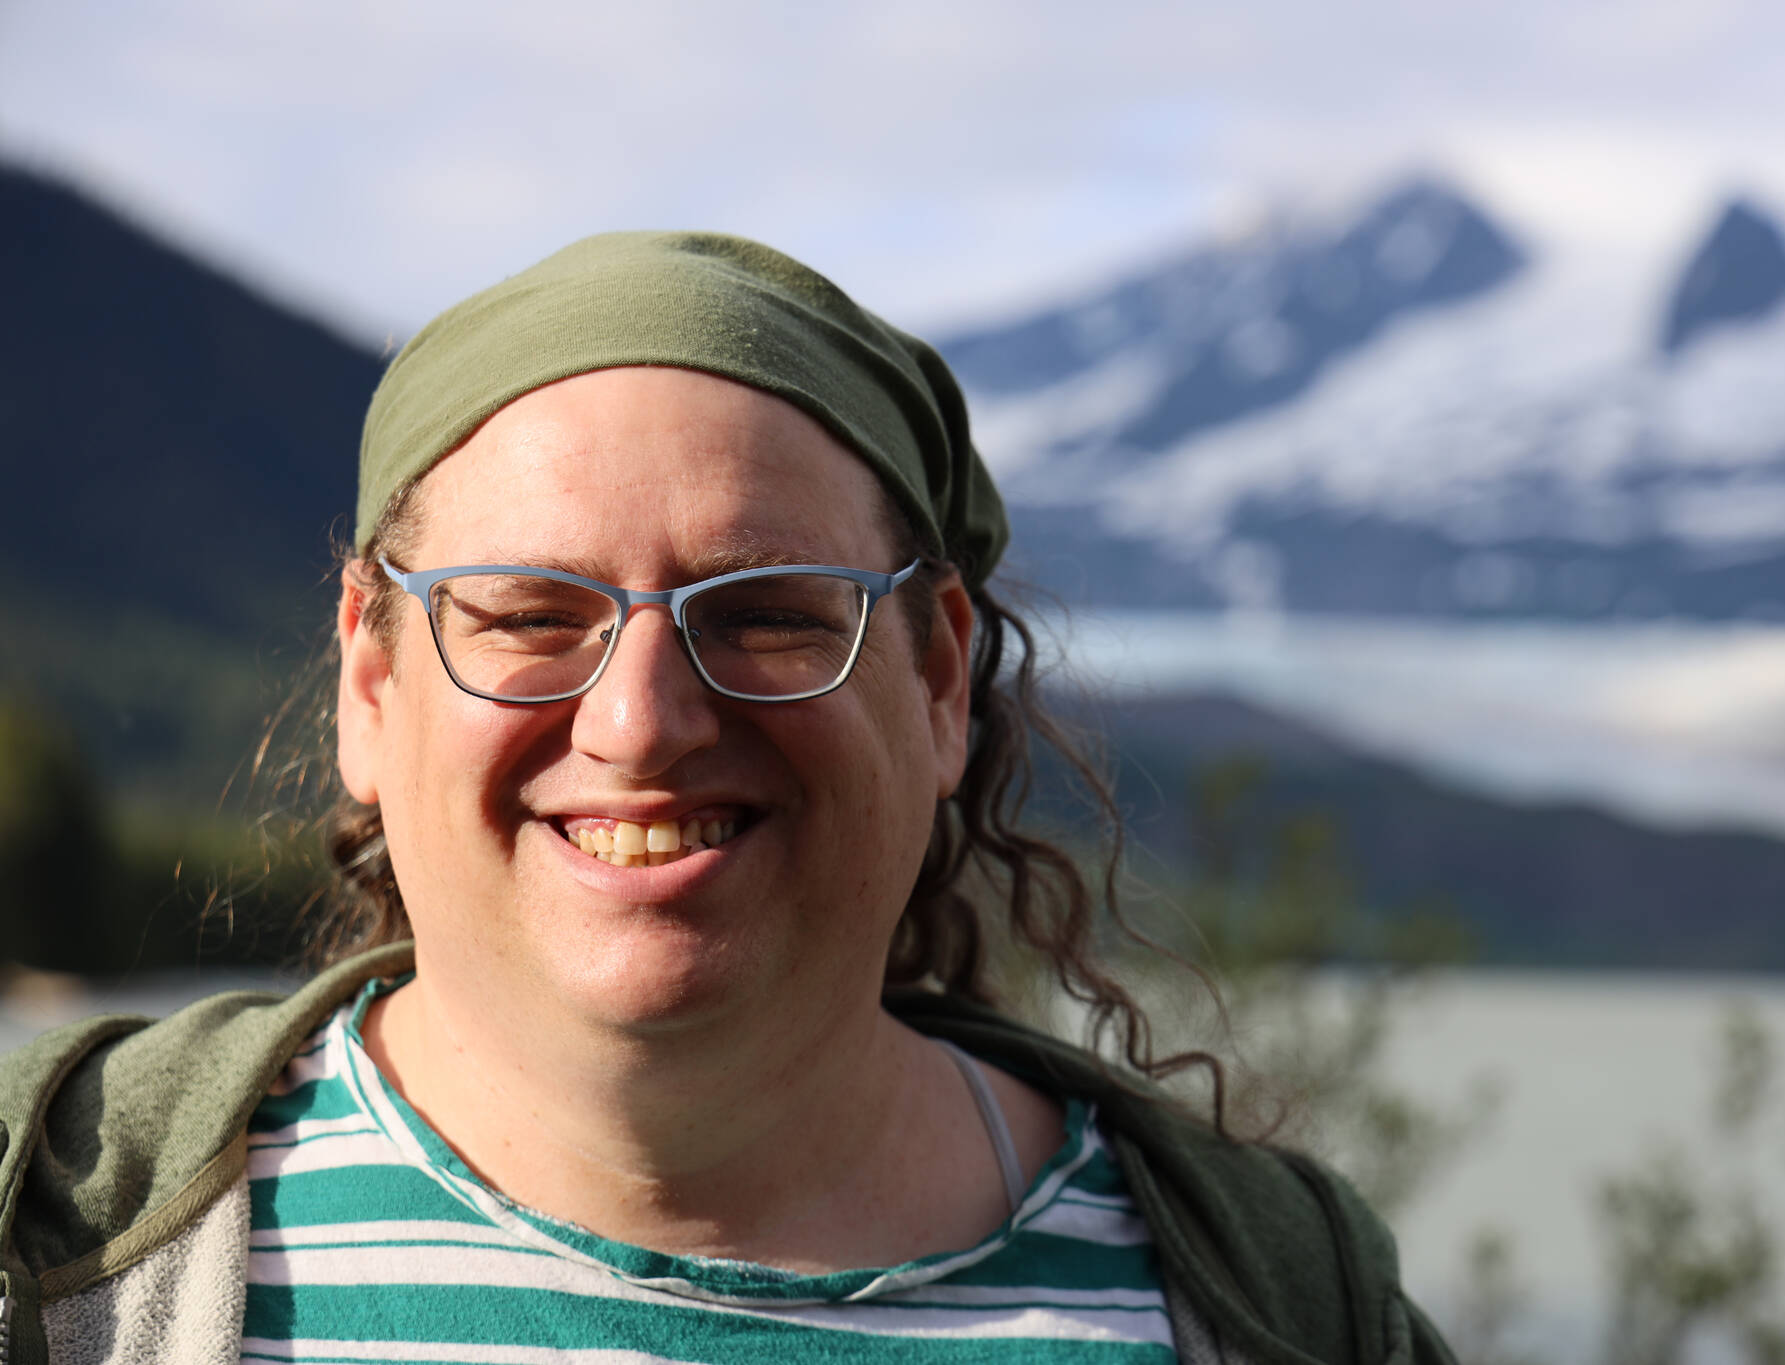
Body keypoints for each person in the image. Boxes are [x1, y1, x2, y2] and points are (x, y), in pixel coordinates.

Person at [0, 233, 1455, 1364]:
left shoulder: (1270, 1304)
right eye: (526, 614)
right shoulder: (50, 1230)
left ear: (940, 679)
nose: (640, 719)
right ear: (370, 686)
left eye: (765, 610)